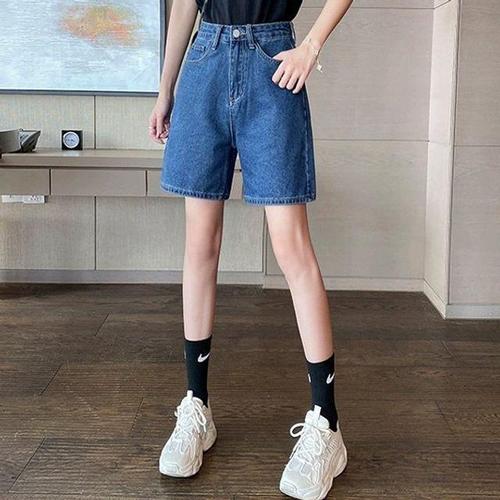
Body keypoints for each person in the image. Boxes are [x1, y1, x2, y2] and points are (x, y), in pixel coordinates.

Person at [149, 1, 353, 498]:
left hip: (271, 65)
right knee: (200, 243)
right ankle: (196, 406)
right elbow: (185, 6)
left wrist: (311, 45)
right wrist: (165, 89)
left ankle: (326, 424)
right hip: (203, 62)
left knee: (292, 248)